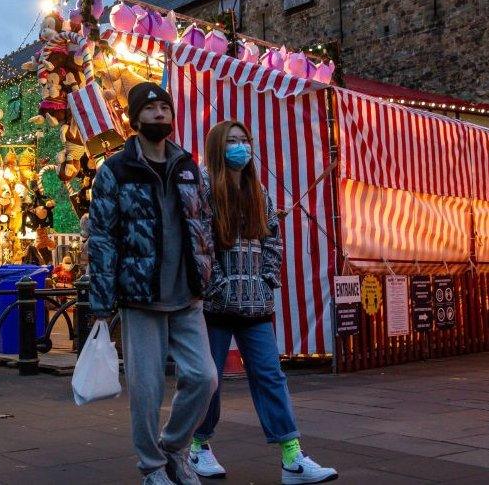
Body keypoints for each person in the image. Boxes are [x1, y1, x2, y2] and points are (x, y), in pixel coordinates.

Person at [190, 121, 338, 484]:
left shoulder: (257, 190)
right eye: (233, 141)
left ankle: (292, 458)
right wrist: (218, 286)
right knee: (209, 380)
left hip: (256, 305)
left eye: (245, 141)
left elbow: (272, 236)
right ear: (217, 147)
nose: (241, 148)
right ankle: (198, 446)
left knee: (270, 375)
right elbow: (199, 243)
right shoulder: (203, 186)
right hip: (214, 306)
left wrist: (268, 277)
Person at [88, 82, 218, 485]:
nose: (160, 114)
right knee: (146, 390)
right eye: (151, 108)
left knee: (204, 377)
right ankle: (151, 467)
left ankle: (174, 447)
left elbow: (202, 223)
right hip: (140, 294)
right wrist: (103, 297)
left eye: (165, 107)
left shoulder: (186, 165)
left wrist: (206, 269)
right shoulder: (115, 169)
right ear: (135, 118)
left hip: (186, 293)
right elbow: (102, 236)